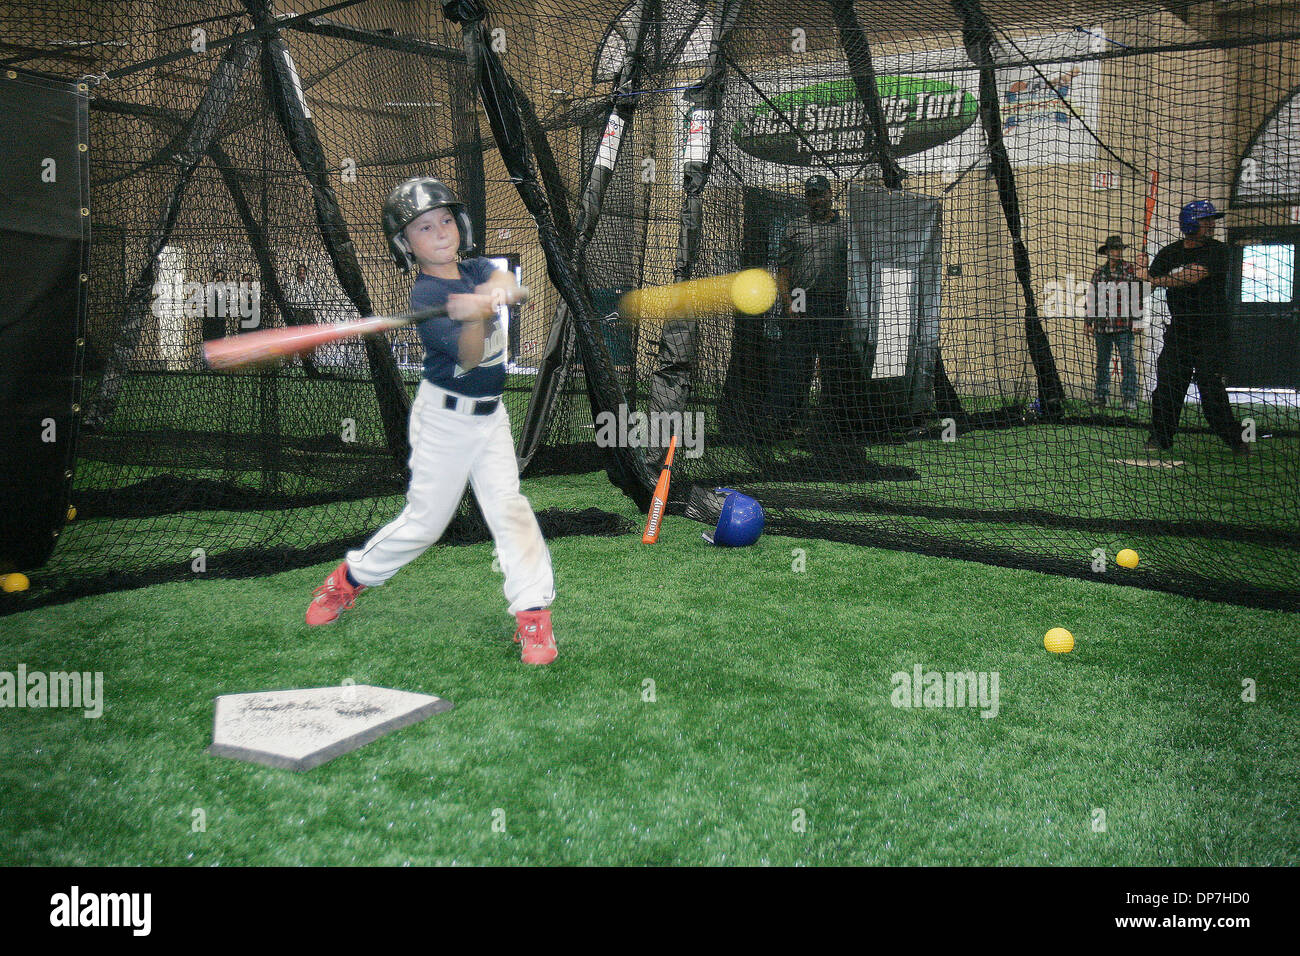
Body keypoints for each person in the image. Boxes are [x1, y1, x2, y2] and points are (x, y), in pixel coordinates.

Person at [305, 178, 558, 664]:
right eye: (424, 226)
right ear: (406, 244)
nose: (440, 231)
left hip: (491, 418)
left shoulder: (477, 268)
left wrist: (491, 294)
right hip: (444, 420)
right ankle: (349, 579)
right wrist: (472, 320)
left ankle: (532, 615)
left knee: (509, 507)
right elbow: (468, 357)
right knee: (426, 524)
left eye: (445, 219)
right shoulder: (425, 297)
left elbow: (515, 287)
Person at [1134, 200, 1249, 455]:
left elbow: (1192, 275)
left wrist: (1153, 278)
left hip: (1212, 331)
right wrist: (1141, 274)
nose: (1211, 224)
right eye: (1205, 220)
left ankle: (1236, 439)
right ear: (1190, 223)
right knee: (1168, 384)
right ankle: (1160, 438)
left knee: (1209, 386)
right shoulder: (1170, 252)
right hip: (1180, 331)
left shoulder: (1218, 251)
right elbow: (1145, 288)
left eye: (1211, 220)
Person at [768, 174, 855, 438]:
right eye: (810, 195)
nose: (815, 199)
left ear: (830, 194)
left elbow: (857, 269)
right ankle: (790, 422)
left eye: (819, 194)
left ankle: (828, 423)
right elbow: (783, 270)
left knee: (831, 365)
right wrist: (788, 304)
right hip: (801, 298)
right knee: (796, 364)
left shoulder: (846, 228)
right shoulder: (795, 227)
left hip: (833, 302)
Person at [1086, 235, 1139, 411]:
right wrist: (1088, 322)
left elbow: (1138, 295)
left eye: (1119, 249)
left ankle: (1130, 397)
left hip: (1123, 325)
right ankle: (1101, 396)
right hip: (1102, 325)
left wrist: (1138, 320)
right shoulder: (1099, 273)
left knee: (1127, 361)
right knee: (1102, 363)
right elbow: (1092, 298)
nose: (1117, 252)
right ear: (1107, 252)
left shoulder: (1130, 270)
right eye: (1114, 249)